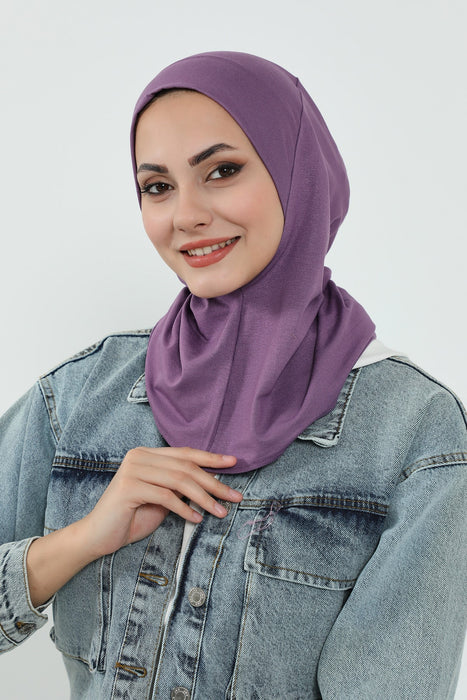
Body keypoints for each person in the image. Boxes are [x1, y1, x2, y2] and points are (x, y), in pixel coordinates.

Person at [0, 51, 465, 700]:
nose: (185, 214)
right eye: (157, 186)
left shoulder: (412, 433)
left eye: (221, 171)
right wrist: (81, 540)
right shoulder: (81, 395)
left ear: (298, 176)